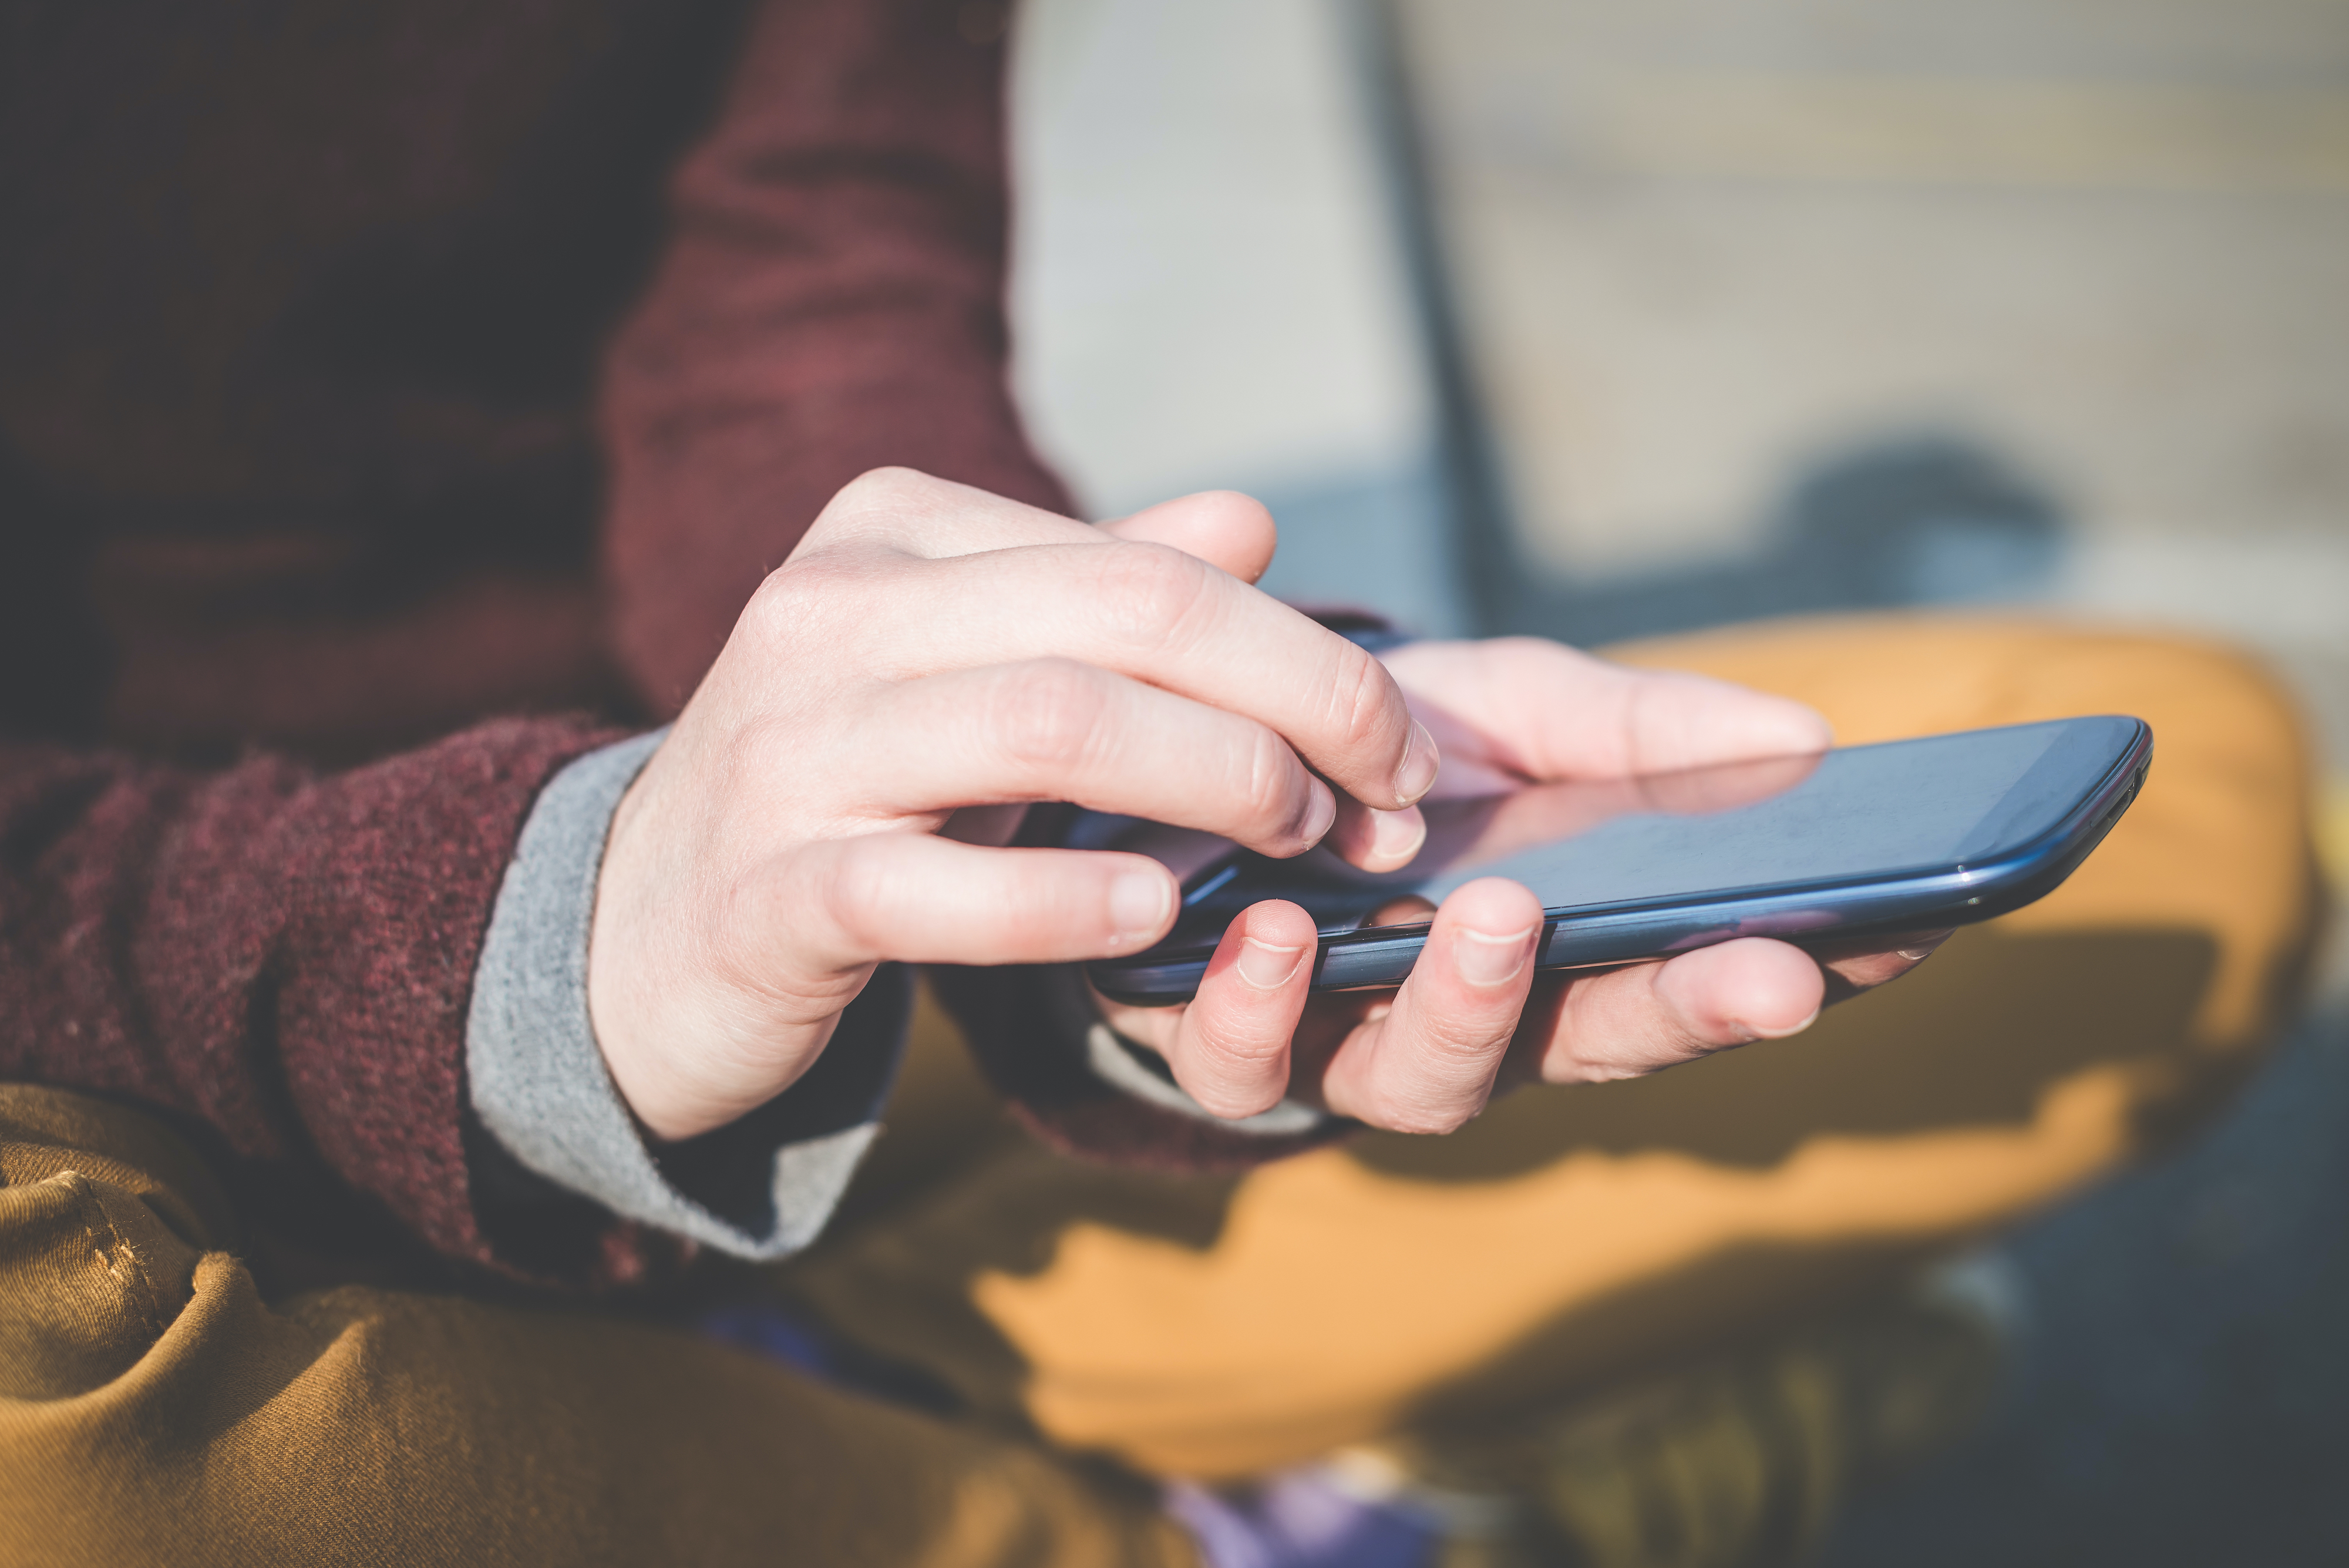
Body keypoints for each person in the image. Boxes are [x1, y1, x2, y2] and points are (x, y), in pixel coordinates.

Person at [0, 2, 2321, 1564]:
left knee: (2203, 817)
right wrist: (540, 949)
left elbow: (801, 307)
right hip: (132, 1100)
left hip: (774, 964)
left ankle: (751, 1416)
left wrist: (1110, 798)